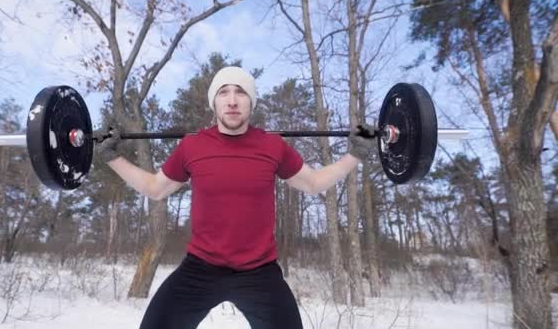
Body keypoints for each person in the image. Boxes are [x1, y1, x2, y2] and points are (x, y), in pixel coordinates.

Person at [94, 66, 377, 329]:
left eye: (240, 92)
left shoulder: (272, 145)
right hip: (200, 268)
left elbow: (314, 183)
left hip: (259, 272)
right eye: (223, 92)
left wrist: (355, 155)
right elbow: (155, 188)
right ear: (214, 103)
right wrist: (112, 157)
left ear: (251, 103)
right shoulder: (192, 146)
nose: (232, 100)